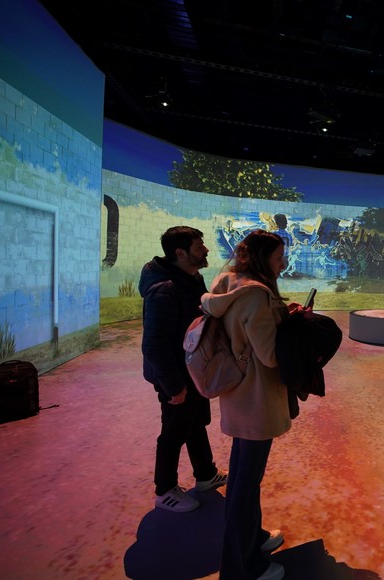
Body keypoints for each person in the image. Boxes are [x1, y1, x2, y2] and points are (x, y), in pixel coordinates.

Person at [201, 229, 299, 580]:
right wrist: (290, 323)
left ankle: (252, 538)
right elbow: (270, 355)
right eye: (278, 258)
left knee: (244, 475)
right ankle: (244, 566)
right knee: (245, 484)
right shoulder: (256, 295)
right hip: (257, 398)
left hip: (238, 395)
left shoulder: (228, 282)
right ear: (262, 259)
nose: (283, 264)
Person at [139, 226, 228, 513]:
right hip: (175, 376)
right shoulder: (164, 290)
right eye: (199, 246)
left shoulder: (192, 279)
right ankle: (165, 490)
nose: (205, 249)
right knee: (173, 432)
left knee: (195, 423)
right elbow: (154, 345)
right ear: (180, 253)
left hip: (193, 370)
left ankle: (205, 474)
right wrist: (174, 386)